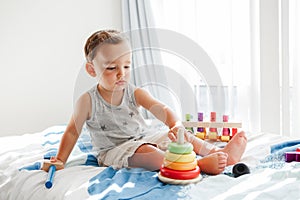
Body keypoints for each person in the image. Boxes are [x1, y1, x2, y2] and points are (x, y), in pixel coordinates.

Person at [51, 30, 247, 175]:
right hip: (114, 150)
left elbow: (161, 109)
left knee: (182, 136)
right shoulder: (87, 100)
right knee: (150, 154)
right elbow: (72, 131)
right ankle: (199, 166)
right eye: (111, 68)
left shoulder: (133, 92)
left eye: (127, 66)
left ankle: (219, 153)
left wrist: (175, 125)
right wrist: (60, 160)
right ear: (92, 70)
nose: (121, 73)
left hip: (143, 137)